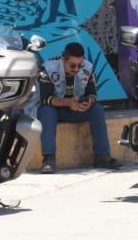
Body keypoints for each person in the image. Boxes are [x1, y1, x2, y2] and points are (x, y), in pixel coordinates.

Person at [37, 42, 119, 173]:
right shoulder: (48, 69)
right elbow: (45, 99)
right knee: (46, 111)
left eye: (79, 65)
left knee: (97, 108)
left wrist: (88, 103)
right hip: (56, 111)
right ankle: (49, 160)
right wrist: (68, 103)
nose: (76, 69)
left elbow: (93, 94)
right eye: (72, 65)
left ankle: (102, 157)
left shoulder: (87, 68)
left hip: (78, 110)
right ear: (63, 59)